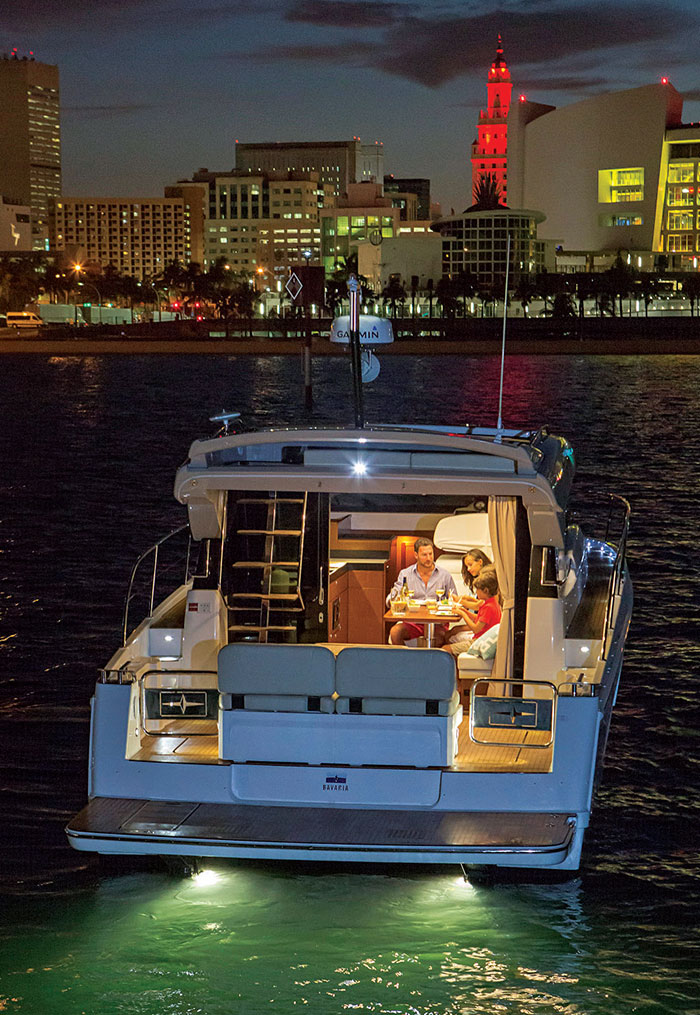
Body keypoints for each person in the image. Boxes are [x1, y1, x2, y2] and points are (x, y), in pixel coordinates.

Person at [388, 537, 457, 647]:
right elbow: (395, 594)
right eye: (424, 555)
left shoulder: (444, 575)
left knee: (441, 638)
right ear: (416, 555)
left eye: (431, 554)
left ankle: (431, 663)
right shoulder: (405, 574)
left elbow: (454, 599)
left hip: (437, 623)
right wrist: (393, 599)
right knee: (395, 632)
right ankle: (406, 661)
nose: (429, 558)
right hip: (413, 622)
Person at [443, 570, 501, 657]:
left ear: (486, 590)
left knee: (445, 648)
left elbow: (475, 629)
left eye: (477, 589)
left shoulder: (489, 607)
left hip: (479, 641)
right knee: (449, 637)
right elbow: (479, 618)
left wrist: (463, 615)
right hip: (481, 637)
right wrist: (464, 610)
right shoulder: (491, 603)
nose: (476, 592)